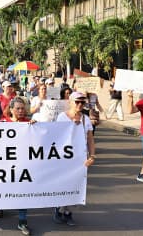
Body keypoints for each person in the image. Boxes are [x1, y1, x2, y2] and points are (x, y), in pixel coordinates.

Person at [53, 91, 96, 225]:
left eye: (82, 102)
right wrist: (73, 125)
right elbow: (57, 136)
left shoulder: (85, 119)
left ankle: (68, 212)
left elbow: (90, 139)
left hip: (79, 158)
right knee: (63, 184)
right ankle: (59, 209)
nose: (80, 104)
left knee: (75, 184)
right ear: (70, 102)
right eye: (77, 101)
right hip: (64, 157)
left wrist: (92, 155)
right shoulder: (62, 117)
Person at [0, 97, 36, 234]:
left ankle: (22, 221)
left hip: (22, 165)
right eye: (18, 108)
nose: (21, 111)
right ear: (11, 110)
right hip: (5, 164)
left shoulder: (28, 123)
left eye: (22, 108)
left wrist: (35, 128)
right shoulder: (2, 123)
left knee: (22, 192)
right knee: (3, 188)